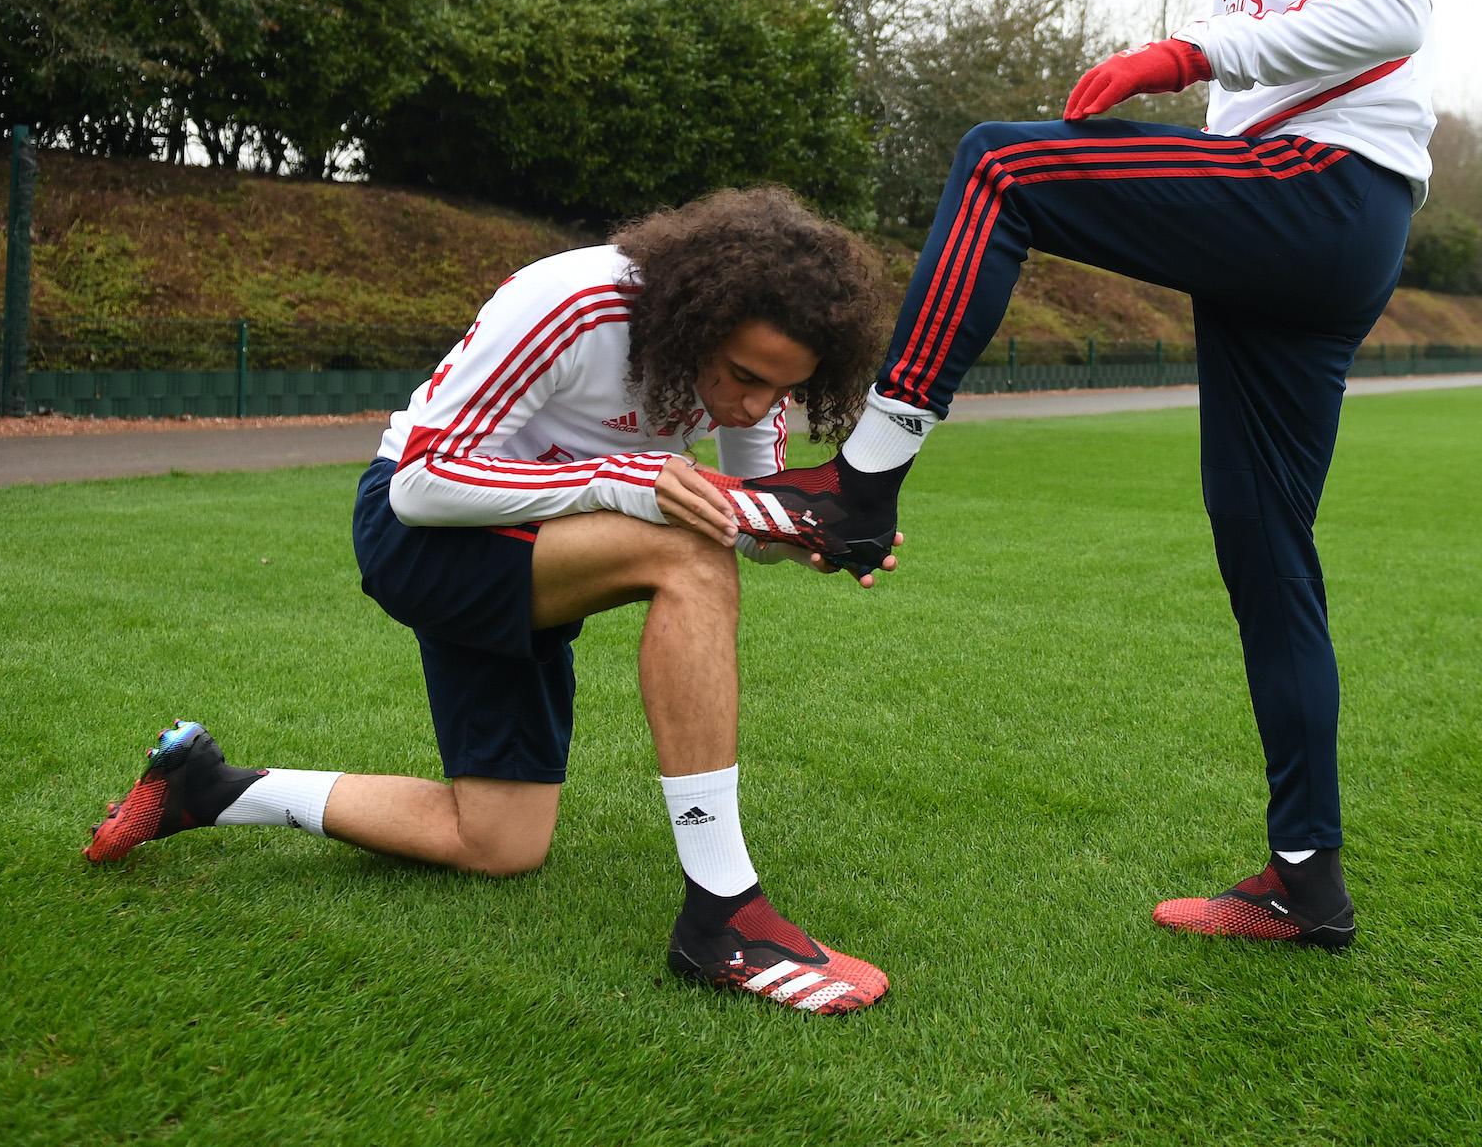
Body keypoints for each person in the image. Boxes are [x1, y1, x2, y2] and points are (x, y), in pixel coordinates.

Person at [744, 0, 1439, 951]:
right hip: (1293, 211)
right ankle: (1307, 876)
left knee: (1001, 166)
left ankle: (866, 481)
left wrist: (1185, 50)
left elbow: (1394, 6)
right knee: (1262, 545)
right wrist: (1214, 67)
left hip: (1326, 187)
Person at [85, 187, 901, 1016]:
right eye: (743, 377)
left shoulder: (755, 379)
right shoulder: (577, 302)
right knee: (685, 554)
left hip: (531, 555)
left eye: (784, 390)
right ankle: (726, 915)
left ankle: (211, 788)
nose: (755, 405)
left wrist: (815, 532)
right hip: (424, 537)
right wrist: (619, 480)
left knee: (499, 840)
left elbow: (746, 521)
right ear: (697, 318)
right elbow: (421, 483)